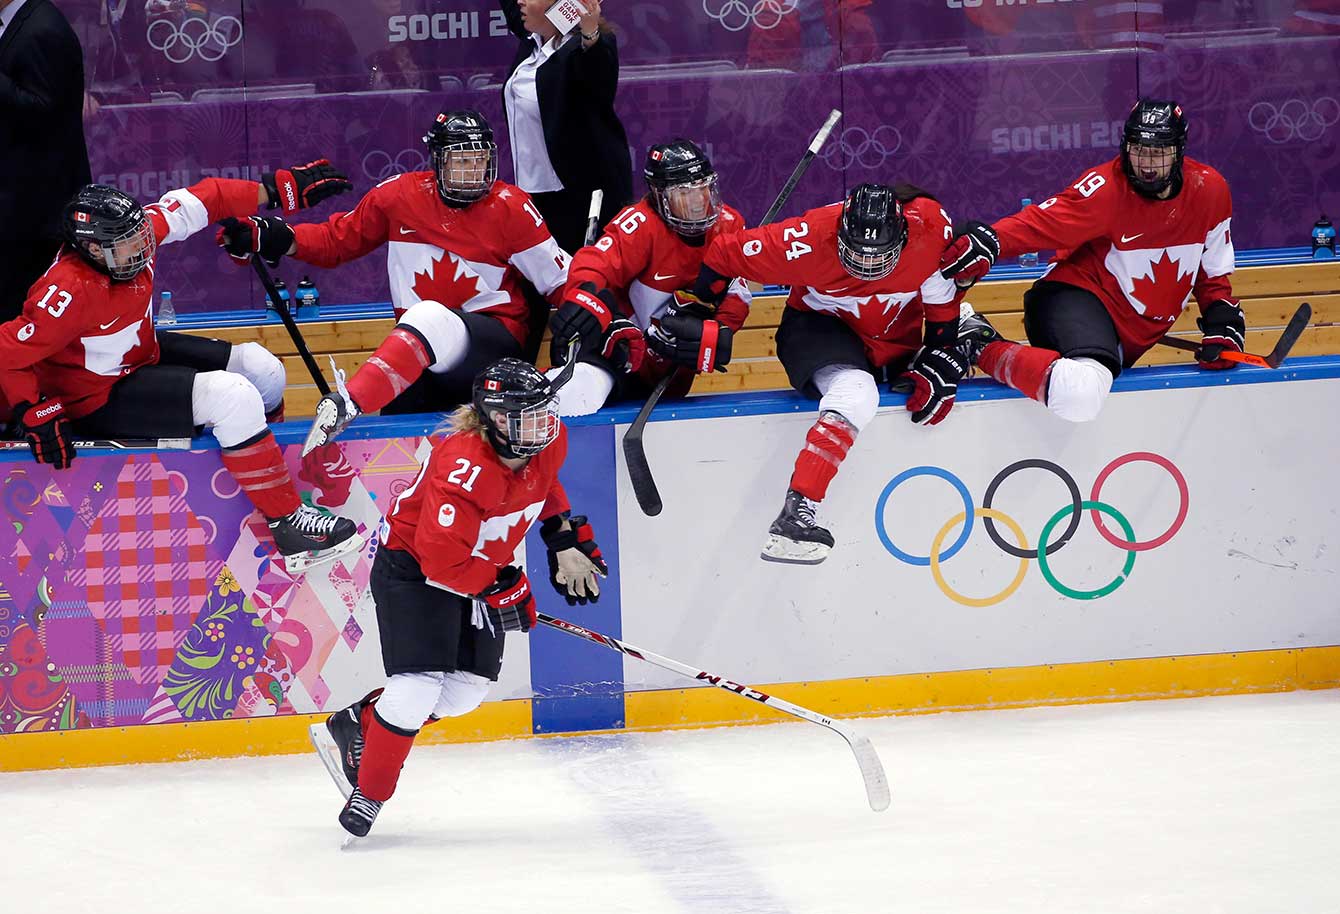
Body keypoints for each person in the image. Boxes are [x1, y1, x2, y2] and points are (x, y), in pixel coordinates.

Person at [0, 161, 365, 574]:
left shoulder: (132, 239)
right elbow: (7, 352)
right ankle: (289, 523)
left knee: (263, 368)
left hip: (141, 356)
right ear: (91, 250)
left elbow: (206, 198)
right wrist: (33, 409)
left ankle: (269, 485)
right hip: (96, 397)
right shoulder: (66, 290)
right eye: (126, 243)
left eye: (140, 235)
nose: (141, 248)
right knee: (233, 396)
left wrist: (275, 189)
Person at [308, 357, 609, 840]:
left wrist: (564, 540)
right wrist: (499, 587)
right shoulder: (464, 469)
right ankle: (370, 790)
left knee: (464, 693)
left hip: (478, 567)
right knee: (415, 690)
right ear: (495, 419)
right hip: (414, 569)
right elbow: (439, 562)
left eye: (543, 413)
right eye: (526, 417)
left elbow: (545, 482)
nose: (542, 426)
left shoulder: (549, 440)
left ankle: (359, 720)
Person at [215, 109, 571, 490]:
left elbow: (562, 279)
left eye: (481, 160)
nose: (474, 171)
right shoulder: (398, 197)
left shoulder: (510, 207)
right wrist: (276, 236)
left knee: (430, 317)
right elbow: (337, 240)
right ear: (437, 161)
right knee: (399, 464)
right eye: (462, 160)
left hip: (492, 352)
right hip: (418, 357)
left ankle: (350, 403)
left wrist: (596, 319)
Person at [691, 182, 996, 565]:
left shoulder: (930, 230)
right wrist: (706, 313)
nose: (868, 266)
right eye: (857, 253)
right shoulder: (803, 239)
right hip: (820, 329)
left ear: (904, 235)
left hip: (891, 338)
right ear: (838, 234)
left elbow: (941, 299)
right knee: (856, 391)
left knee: (963, 332)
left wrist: (942, 350)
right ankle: (796, 512)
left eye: (878, 255)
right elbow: (722, 255)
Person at [940, 99, 1243, 425]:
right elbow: (1040, 224)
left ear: (1179, 152)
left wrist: (1221, 318)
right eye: (1138, 149)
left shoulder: (1209, 190)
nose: (1147, 163)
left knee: (1088, 386)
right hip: (1073, 298)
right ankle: (978, 343)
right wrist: (993, 241)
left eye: (1158, 152)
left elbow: (1212, 270)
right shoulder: (1106, 190)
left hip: (1129, 333)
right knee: (1081, 395)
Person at [546, 139, 752, 415]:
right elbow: (594, 262)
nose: (698, 202)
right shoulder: (641, 224)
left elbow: (737, 287)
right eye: (684, 193)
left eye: (704, 189)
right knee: (577, 395)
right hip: (620, 355)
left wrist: (723, 328)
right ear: (659, 195)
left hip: (672, 375)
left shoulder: (730, 224)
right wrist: (584, 293)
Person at [497, 0, 632, 255]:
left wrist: (589, 31)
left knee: (582, 282)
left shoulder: (583, 49)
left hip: (579, 198)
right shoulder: (531, 41)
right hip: (533, 195)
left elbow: (598, 71)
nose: (520, 1)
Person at [0, 0, 93, 322]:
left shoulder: (42, 28)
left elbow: (44, 111)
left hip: (36, 210)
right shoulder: (17, 23)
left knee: (25, 313)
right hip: (18, 205)